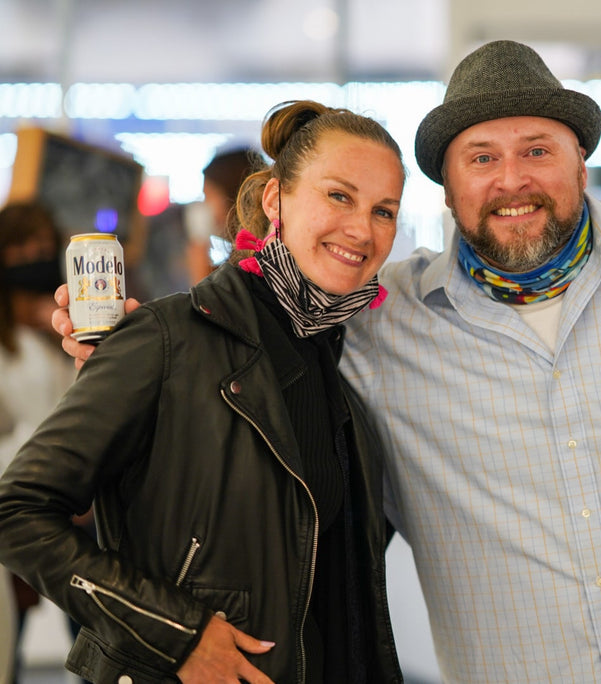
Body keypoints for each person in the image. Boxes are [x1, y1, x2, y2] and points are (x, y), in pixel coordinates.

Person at [52, 41, 601, 682]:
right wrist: (142, 345)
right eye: (481, 157)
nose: (511, 179)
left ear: (581, 165)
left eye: (537, 151)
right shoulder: (378, 325)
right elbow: (243, 350)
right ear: (447, 188)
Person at [0, 100, 406, 683]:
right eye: (339, 195)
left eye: (384, 210)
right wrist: (176, 636)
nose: (362, 229)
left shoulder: (343, 359)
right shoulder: (167, 339)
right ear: (275, 201)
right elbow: (16, 510)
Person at [0, 201, 77, 683]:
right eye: (23, 248)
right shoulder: (7, 342)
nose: (35, 257)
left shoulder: (66, 328)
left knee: (92, 640)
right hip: (14, 504)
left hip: (75, 513)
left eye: (45, 248)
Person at [184, 147, 259, 285]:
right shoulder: (236, 256)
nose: (204, 206)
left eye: (208, 196)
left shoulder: (254, 260)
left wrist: (199, 272)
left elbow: (212, 305)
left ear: (233, 197)